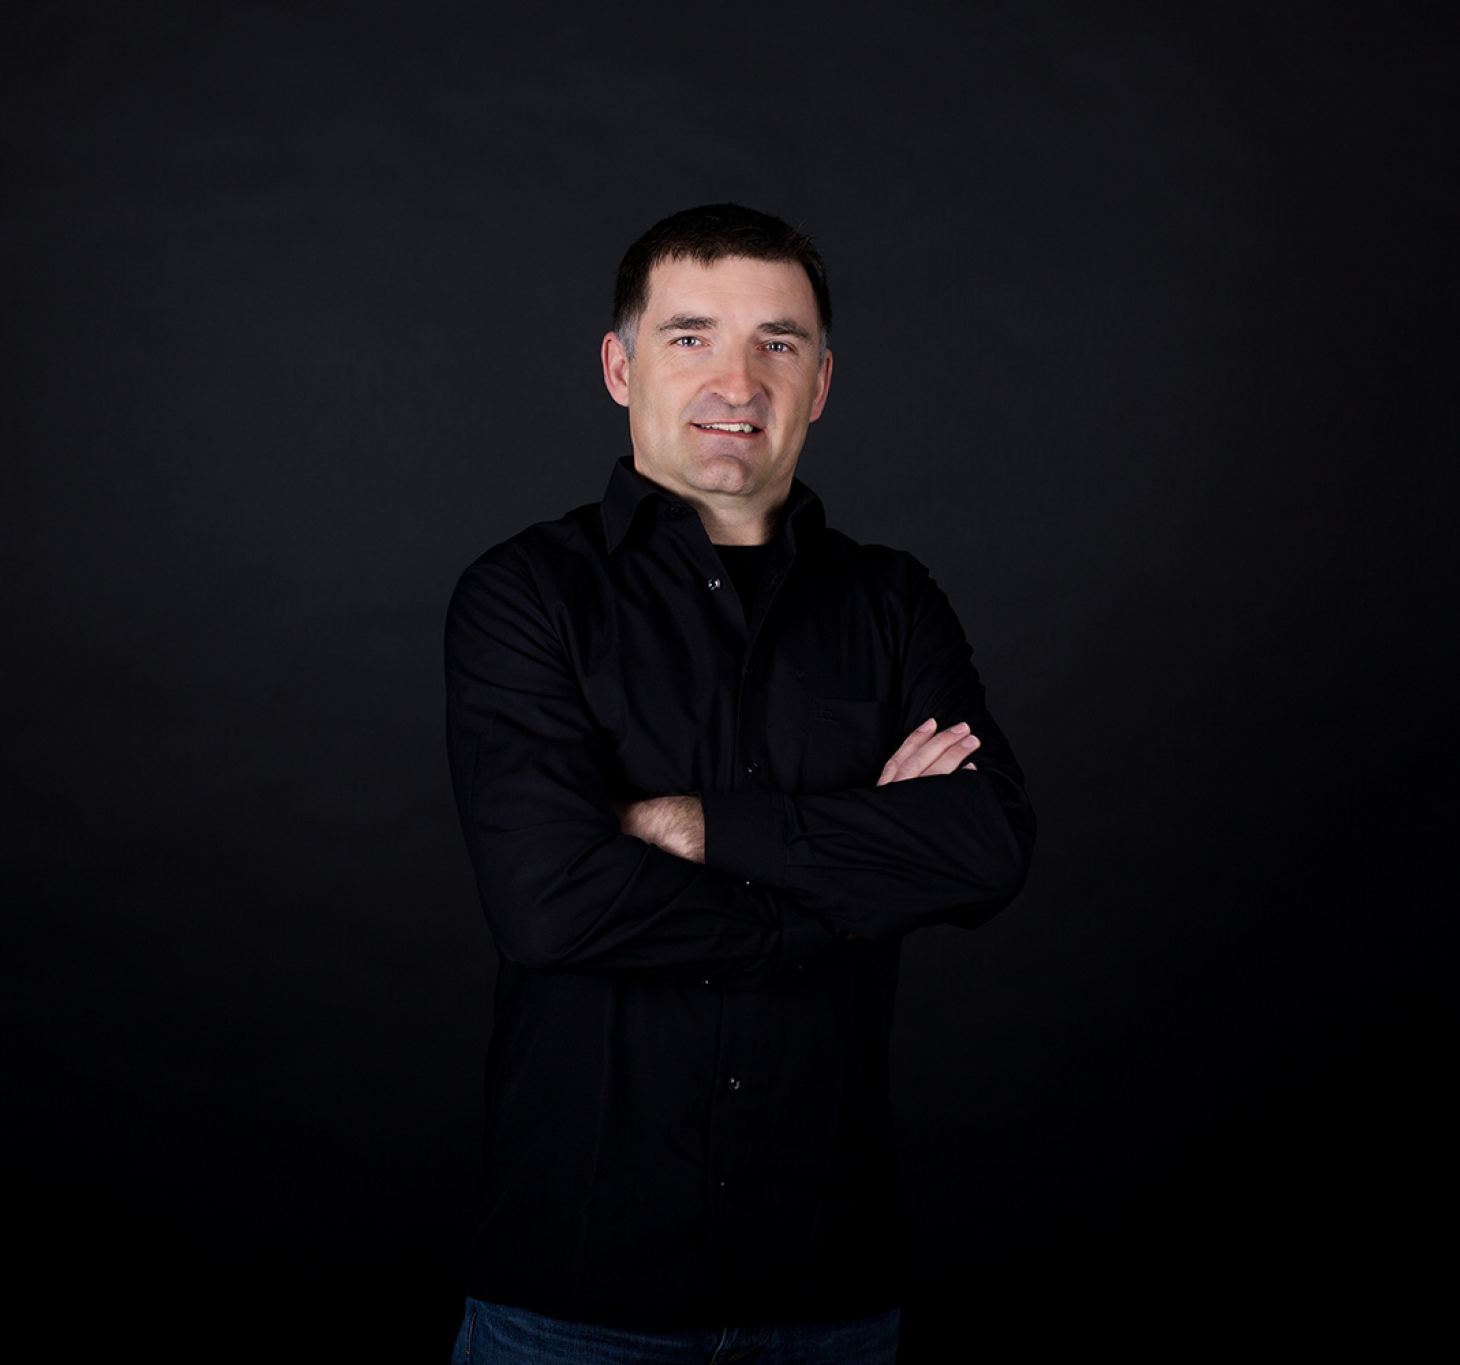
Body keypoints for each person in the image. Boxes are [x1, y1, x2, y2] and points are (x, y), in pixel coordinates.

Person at [444, 203, 1035, 1363]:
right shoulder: (526, 596)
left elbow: (985, 846)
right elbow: (547, 901)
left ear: (820, 383)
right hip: (572, 1295)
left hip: (829, 1287)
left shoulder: (892, 603)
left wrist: (699, 827)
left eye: (777, 342)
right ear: (619, 368)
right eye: (690, 337)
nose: (737, 380)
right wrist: (844, 896)